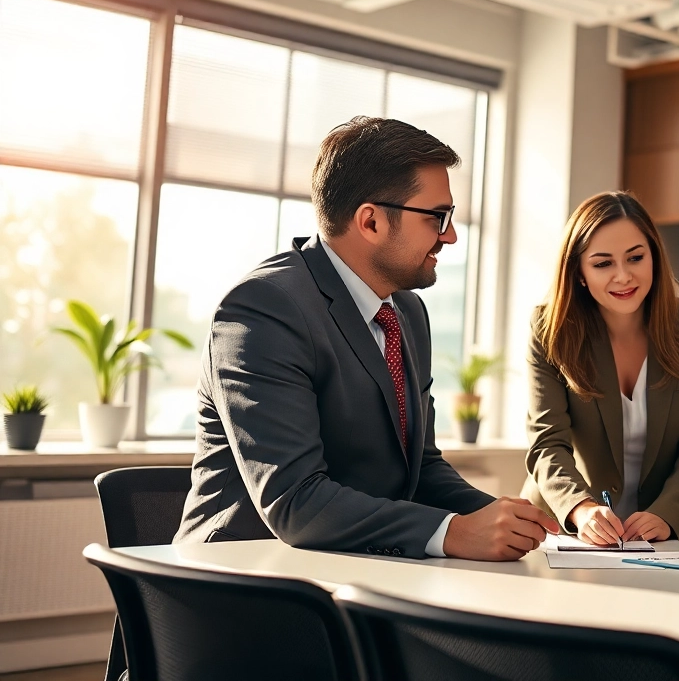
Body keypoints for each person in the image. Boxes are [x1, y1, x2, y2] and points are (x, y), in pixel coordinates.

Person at [176, 116, 559, 560]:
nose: (451, 235)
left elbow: (422, 469)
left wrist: (505, 518)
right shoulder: (264, 309)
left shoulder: (407, 313)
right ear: (371, 222)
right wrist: (453, 532)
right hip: (240, 585)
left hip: (357, 571)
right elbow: (296, 503)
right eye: (438, 217)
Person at [524, 191, 679, 545]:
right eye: (603, 263)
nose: (623, 276)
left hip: (668, 533)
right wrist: (580, 508)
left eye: (635, 257)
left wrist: (666, 513)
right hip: (564, 529)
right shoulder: (549, 329)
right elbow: (546, 443)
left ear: (654, 258)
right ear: (580, 273)